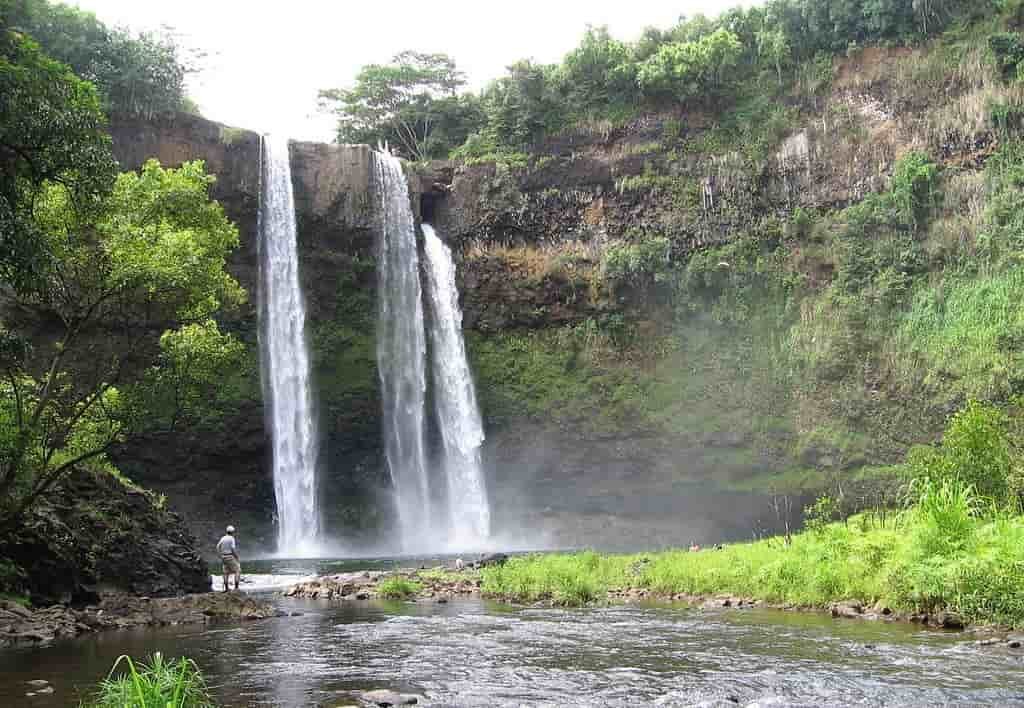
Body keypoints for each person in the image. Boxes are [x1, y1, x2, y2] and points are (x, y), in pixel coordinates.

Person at [216, 525, 240, 592]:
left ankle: (226, 589)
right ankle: (236, 589)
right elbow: (232, 549)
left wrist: (220, 555)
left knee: (226, 573)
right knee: (237, 571)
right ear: (232, 532)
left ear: (227, 531)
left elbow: (217, 547)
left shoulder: (223, 538)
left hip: (223, 557)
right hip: (230, 556)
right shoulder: (232, 538)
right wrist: (236, 556)